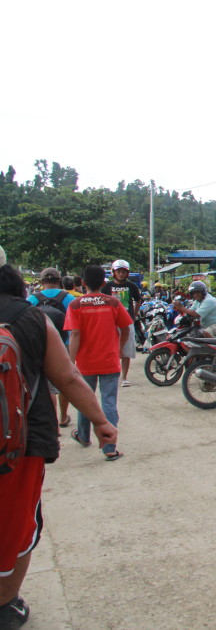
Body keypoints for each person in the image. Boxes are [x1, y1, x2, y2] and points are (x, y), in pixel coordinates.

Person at [0, 259, 117, 629]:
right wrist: (100, 422)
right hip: (18, 442)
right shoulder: (31, 318)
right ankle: (5, 604)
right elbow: (66, 378)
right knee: (17, 523)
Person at [66, 265, 133, 462]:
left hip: (85, 363)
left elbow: (75, 334)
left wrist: (71, 361)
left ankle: (84, 436)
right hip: (109, 361)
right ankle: (110, 448)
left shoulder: (76, 305)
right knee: (109, 402)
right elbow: (126, 328)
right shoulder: (112, 303)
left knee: (86, 401)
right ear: (104, 283)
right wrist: (119, 349)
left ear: (83, 283)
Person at [26, 268, 75, 428]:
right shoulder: (68, 298)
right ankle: (63, 417)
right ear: (59, 281)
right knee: (65, 382)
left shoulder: (32, 299)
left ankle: (51, 420)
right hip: (64, 344)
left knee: (47, 386)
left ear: (41, 282)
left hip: (39, 345)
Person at [100, 259, 141, 387]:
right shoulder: (107, 287)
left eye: (124, 272)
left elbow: (138, 300)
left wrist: (134, 314)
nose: (121, 274)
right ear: (114, 272)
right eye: (119, 272)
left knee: (127, 350)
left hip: (127, 321)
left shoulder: (132, 286)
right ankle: (110, 374)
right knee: (110, 349)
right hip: (111, 322)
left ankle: (124, 377)